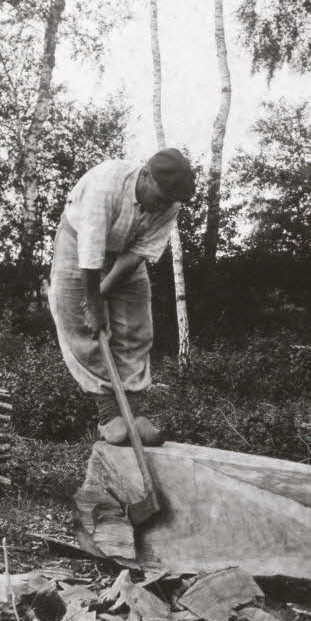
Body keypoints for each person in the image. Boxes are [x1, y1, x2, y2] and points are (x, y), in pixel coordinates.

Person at [48, 149, 196, 445]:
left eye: (171, 200)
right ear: (145, 175)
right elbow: (89, 256)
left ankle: (134, 413)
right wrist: (93, 304)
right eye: (162, 196)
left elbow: (138, 254)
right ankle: (109, 417)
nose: (164, 204)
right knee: (79, 323)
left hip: (124, 252)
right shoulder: (105, 185)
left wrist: (103, 293)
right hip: (78, 241)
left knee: (135, 328)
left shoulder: (170, 205)